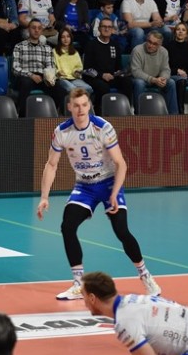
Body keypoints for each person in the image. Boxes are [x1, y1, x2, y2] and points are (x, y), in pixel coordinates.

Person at [36, 87, 161, 300]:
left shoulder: (103, 128)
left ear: (89, 106)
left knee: (121, 230)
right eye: (76, 106)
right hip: (84, 186)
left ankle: (145, 275)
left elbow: (121, 163)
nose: (81, 109)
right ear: (69, 107)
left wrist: (114, 193)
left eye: (84, 105)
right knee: (67, 226)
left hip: (109, 182)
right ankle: (79, 284)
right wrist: (44, 197)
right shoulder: (62, 132)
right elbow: (51, 164)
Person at [81, 17, 133, 109]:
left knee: (127, 82)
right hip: (95, 77)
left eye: (109, 27)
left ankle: (128, 109)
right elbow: (87, 69)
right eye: (104, 26)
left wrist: (118, 74)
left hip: (111, 77)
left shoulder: (115, 45)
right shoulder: (91, 45)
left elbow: (118, 67)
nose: (106, 29)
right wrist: (102, 75)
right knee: (103, 87)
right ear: (99, 28)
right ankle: (99, 110)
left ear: (112, 29)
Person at [12, 19, 56, 115]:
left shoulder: (47, 48)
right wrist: (31, 75)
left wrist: (50, 78)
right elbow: (15, 68)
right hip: (25, 77)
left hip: (42, 77)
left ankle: (54, 115)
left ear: (41, 31)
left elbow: (50, 67)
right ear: (28, 29)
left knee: (58, 86)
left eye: (39, 28)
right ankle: (22, 115)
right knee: (26, 83)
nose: (36, 30)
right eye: (34, 28)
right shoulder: (19, 47)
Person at [129, 30, 179, 114]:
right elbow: (136, 71)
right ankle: (139, 113)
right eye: (149, 42)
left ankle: (173, 115)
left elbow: (166, 69)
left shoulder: (164, 51)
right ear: (146, 40)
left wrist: (163, 78)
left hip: (157, 79)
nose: (151, 45)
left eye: (155, 44)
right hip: (142, 79)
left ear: (160, 45)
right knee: (139, 83)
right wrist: (153, 79)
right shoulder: (137, 50)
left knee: (171, 82)